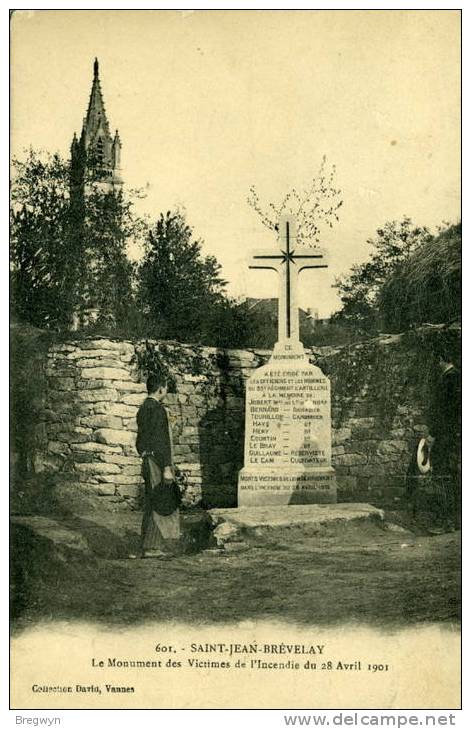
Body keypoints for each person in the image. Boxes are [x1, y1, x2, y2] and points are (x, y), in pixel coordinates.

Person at [134, 373, 181, 559]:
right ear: (160, 389)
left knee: (151, 499)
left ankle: (147, 544)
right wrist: (167, 467)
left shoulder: (144, 408)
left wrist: (144, 453)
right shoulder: (158, 410)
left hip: (148, 459)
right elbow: (160, 441)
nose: (167, 391)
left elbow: (141, 440)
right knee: (159, 500)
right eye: (166, 388)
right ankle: (152, 547)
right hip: (157, 461)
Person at [428, 345, 461, 530]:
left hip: (446, 436)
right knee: (451, 475)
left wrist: (433, 434)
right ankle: (455, 521)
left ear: (441, 358)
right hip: (452, 435)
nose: (435, 364)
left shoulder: (451, 379)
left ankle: (447, 522)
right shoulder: (457, 376)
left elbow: (446, 412)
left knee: (444, 475)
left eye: (436, 360)